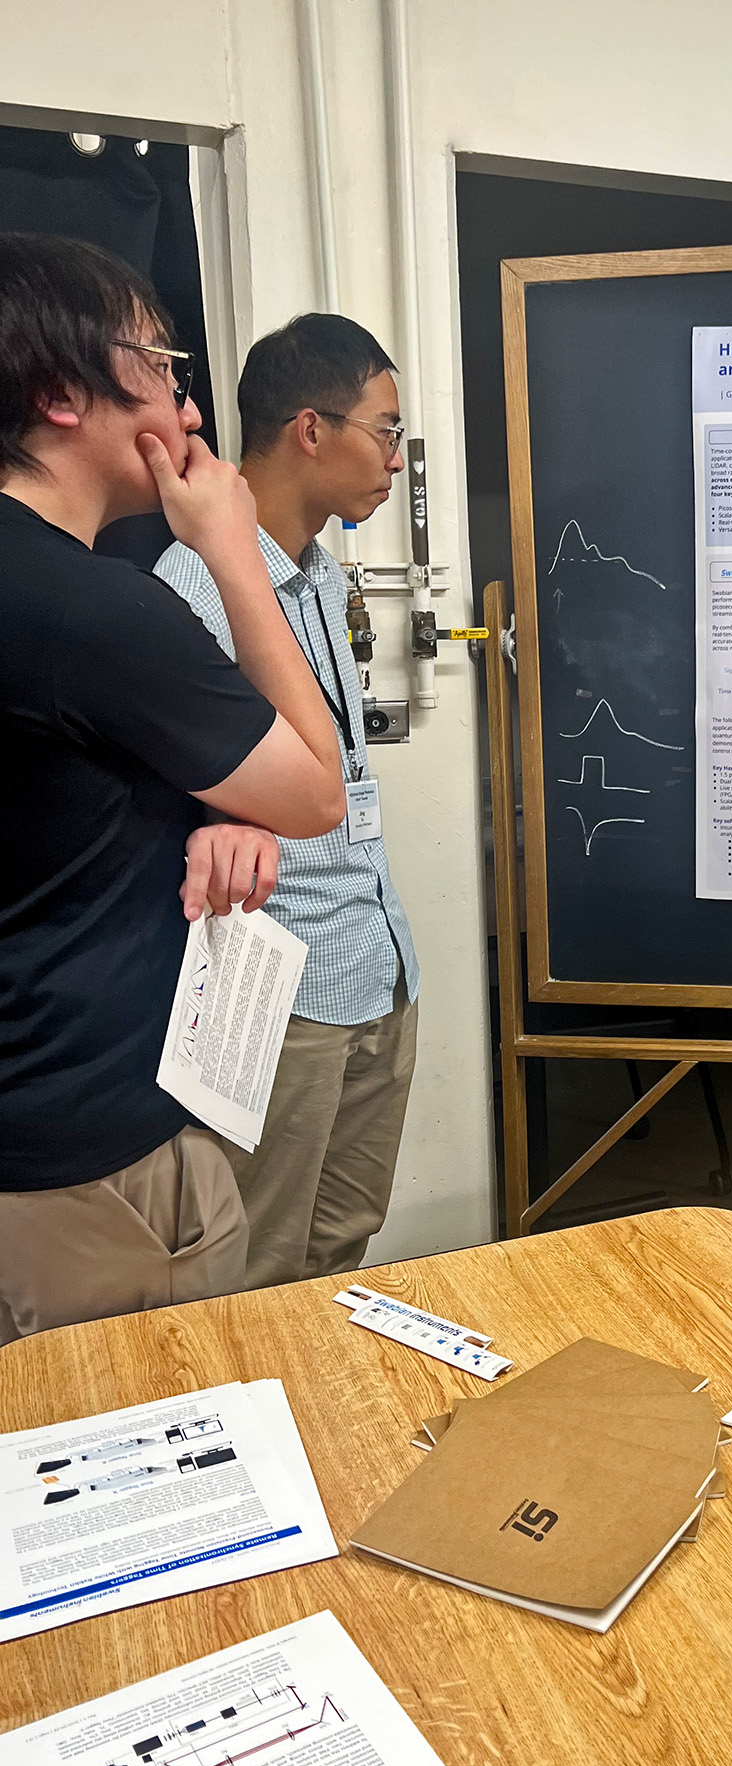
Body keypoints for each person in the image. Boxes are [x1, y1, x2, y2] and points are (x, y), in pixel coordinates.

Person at [0, 235, 345, 1342]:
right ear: (61, 391)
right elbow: (313, 790)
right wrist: (234, 549)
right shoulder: (88, 609)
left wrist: (202, 806)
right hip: (86, 1158)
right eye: (158, 362)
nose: (187, 407)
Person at [157, 314, 420, 1287]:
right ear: (312, 430)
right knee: (261, 1266)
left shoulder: (314, 574)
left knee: (344, 1243)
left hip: (376, 963)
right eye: (386, 431)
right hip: (282, 991)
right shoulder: (191, 586)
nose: (396, 459)